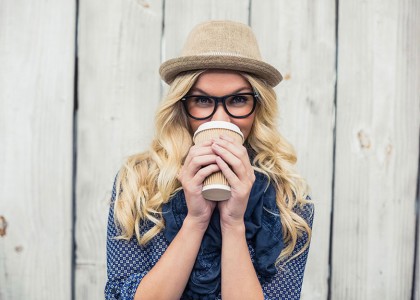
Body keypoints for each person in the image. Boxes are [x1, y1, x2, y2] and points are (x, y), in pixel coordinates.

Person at [105, 20, 314, 300]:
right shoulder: (137, 184)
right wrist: (196, 219)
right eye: (202, 101)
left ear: (258, 106)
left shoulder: (290, 203)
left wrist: (233, 223)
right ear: (182, 106)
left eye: (238, 100)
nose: (220, 119)